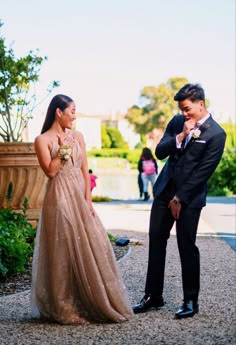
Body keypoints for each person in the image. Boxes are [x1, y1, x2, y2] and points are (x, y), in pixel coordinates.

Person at [31, 94, 133, 324]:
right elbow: (50, 171)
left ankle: (95, 301)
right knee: (62, 250)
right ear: (59, 112)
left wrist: (88, 200)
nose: (74, 117)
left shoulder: (78, 136)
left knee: (94, 243)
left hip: (79, 196)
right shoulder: (42, 140)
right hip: (58, 198)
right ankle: (64, 308)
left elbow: (85, 170)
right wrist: (62, 152)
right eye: (72, 111)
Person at [133, 84, 226, 319]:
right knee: (156, 241)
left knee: (187, 247)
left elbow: (204, 172)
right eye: (181, 109)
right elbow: (160, 152)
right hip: (164, 192)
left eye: (187, 108)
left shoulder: (216, 134)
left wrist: (180, 198)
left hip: (190, 198)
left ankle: (190, 301)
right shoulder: (177, 122)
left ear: (200, 104)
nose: (184, 113)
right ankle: (153, 296)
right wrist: (182, 134)